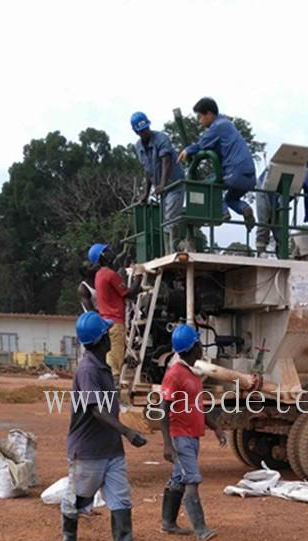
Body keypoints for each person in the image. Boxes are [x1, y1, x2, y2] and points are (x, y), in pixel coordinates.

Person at [61, 311, 154, 541]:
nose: (112, 338)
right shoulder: (88, 369)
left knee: (120, 497)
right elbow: (96, 410)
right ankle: (68, 540)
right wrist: (128, 431)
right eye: (108, 334)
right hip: (88, 449)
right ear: (100, 340)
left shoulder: (103, 366)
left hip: (111, 448)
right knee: (79, 498)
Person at [159, 324, 226, 541]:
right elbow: (163, 409)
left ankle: (168, 523)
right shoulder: (174, 375)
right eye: (198, 343)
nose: (201, 347)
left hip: (193, 435)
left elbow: (197, 406)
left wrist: (214, 426)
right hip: (180, 436)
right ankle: (201, 529)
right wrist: (167, 443)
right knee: (192, 480)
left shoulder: (191, 373)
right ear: (192, 347)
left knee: (179, 478)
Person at [177, 97, 257, 232]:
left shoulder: (218, 126)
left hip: (235, 173)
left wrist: (187, 150)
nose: (199, 121)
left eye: (200, 116)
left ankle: (222, 213)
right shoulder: (227, 124)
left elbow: (202, 145)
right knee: (230, 199)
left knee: (208, 185)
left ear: (209, 114)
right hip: (249, 177)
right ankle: (244, 208)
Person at [131, 111, 186, 251]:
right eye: (141, 131)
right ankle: (177, 247)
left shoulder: (161, 139)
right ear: (136, 132)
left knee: (170, 218)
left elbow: (166, 162)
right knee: (165, 221)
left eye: (146, 128)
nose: (145, 132)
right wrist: (145, 193)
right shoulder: (139, 147)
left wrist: (162, 184)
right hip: (162, 190)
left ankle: (171, 252)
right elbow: (147, 170)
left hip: (174, 184)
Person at [89, 242, 141, 388]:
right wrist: (138, 274)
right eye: (107, 251)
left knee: (111, 357)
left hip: (106, 322)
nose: (111, 252)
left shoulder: (99, 275)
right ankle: (113, 393)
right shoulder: (110, 275)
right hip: (116, 323)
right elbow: (130, 293)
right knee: (115, 362)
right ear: (103, 256)